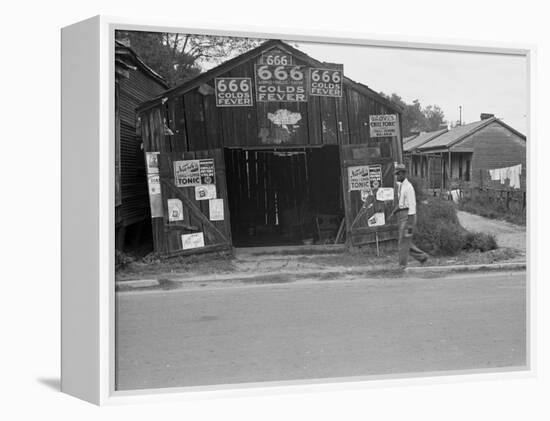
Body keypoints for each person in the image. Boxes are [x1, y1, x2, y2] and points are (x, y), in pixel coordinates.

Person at [390, 163, 429, 268]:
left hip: (408, 217)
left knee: (402, 242)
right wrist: (394, 212)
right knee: (405, 241)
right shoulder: (401, 186)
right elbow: (402, 203)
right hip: (403, 215)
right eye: (396, 174)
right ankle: (422, 257)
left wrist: (410, 223)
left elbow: (412, 205)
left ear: (403, 174)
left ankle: (402, 266)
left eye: (398, 174)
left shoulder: (408, 187)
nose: (396, 176)